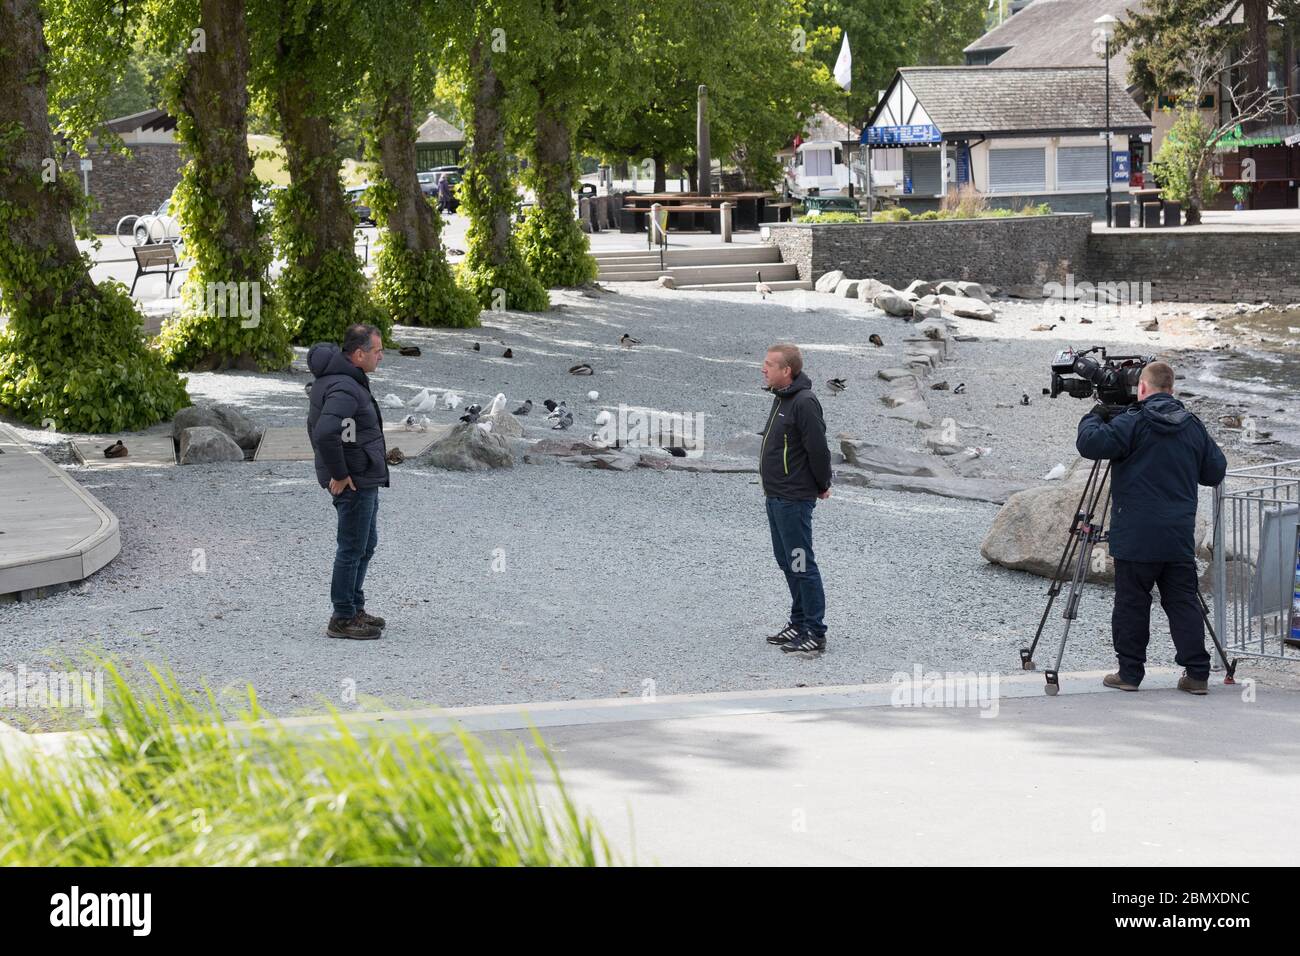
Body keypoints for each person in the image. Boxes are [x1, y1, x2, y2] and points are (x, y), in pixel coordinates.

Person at [1076, 360, 1227, 694]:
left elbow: (1090, 445)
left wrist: (1095, 415)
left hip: (1135, 535)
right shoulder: (1192, 425)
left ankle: (1130, 675)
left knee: (1132, 602)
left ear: (1141, 388)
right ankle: (1197, 674)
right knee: (1182, 600)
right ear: (1172, 389)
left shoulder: (1132, 422)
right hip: (1177, 535)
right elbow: (1215, 472)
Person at [308, 324, 390, 640]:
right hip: (354, 481)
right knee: (353, 546)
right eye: (377, 351)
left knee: (365, 544)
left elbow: (342, 432)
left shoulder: (347, 380)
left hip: (362, 475)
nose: (381, 356)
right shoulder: (344, 387)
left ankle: (353, 606)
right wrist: (340, 474)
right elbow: (326, 433)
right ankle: (342, 616)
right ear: (359, 354)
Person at [759, 343, 832, 656]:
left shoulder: (804, 402)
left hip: (793, 499)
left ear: (786, 370)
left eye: (769, 365)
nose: (763, 369)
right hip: (776, 497)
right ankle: (799, 621)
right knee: (786, 561)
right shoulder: (782, 398)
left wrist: (822, 483)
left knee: (801, 563)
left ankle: (815, 631)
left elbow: (818, 448)